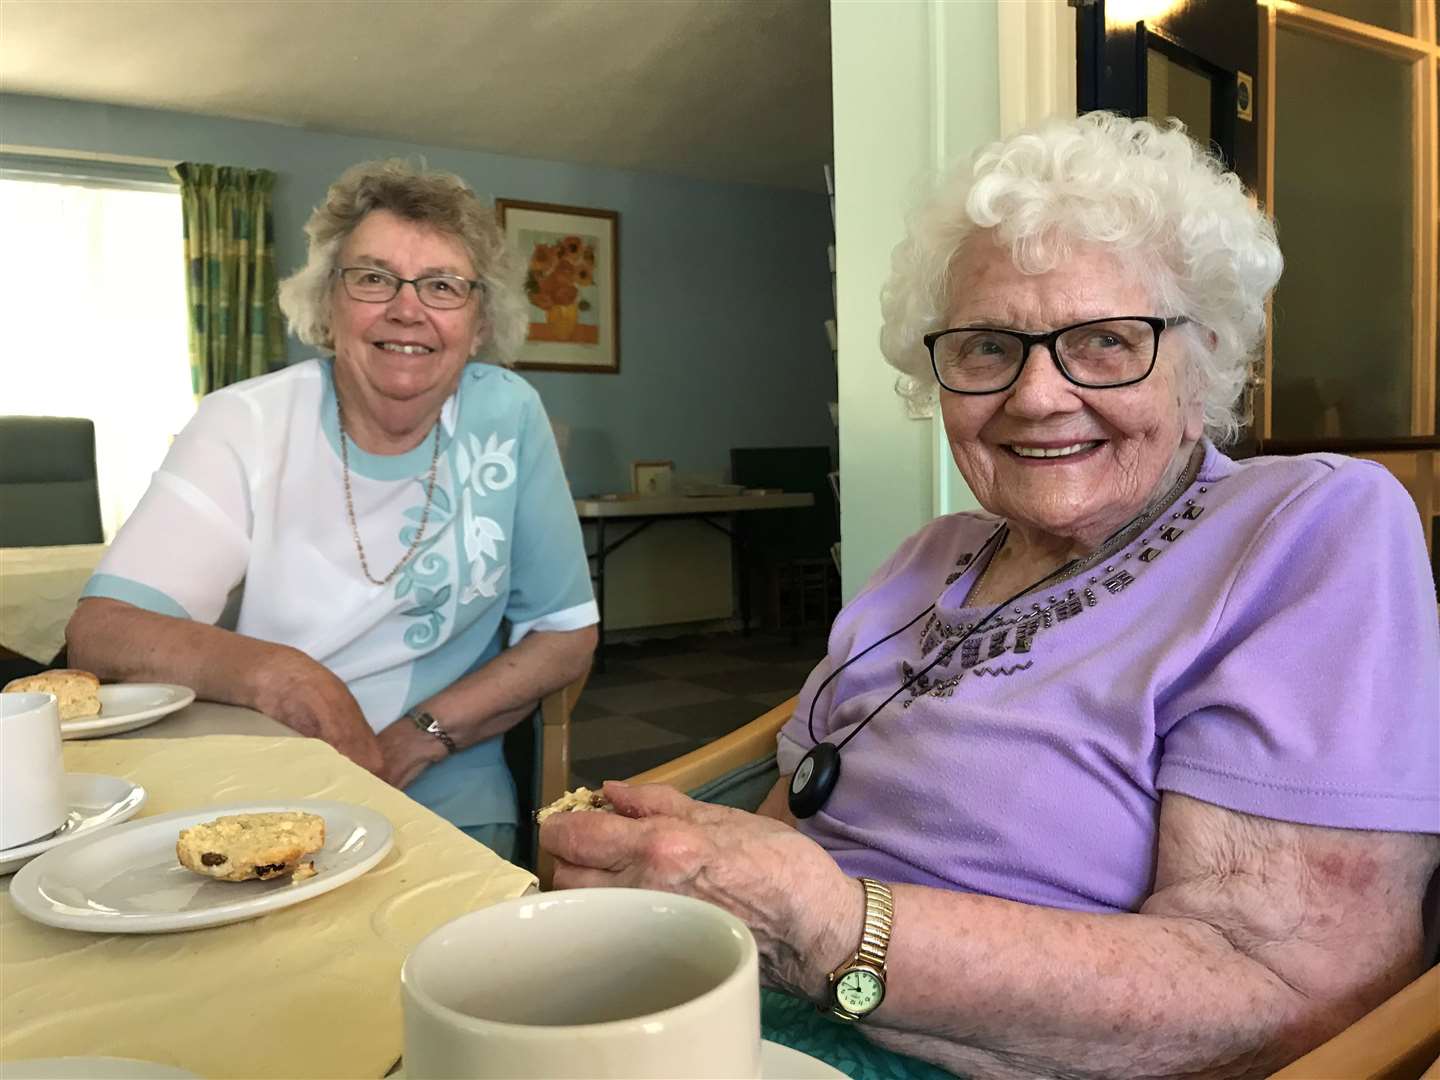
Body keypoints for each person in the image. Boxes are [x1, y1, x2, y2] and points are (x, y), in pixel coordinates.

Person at [541, 114, 1439, 1079]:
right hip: (756, 1011)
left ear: (1204, 356)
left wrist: (830, 926)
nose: (1039, 395)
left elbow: (1282, 993)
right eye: (985, 348)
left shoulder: (1304, 527)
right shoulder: (931, 556)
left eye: (1103, 340)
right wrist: (681, 882)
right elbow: (791, 814)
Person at [67, 160, 598, 859]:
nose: (407, 309)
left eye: (442, 286)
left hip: (445, 784)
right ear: (326, 305)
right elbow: (103, 633)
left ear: (477, 325)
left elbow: (563, 634)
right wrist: (288, 675)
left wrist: (419, 737)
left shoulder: (506, 415)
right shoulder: (245, 422)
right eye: (374, 278)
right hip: (261, 778)